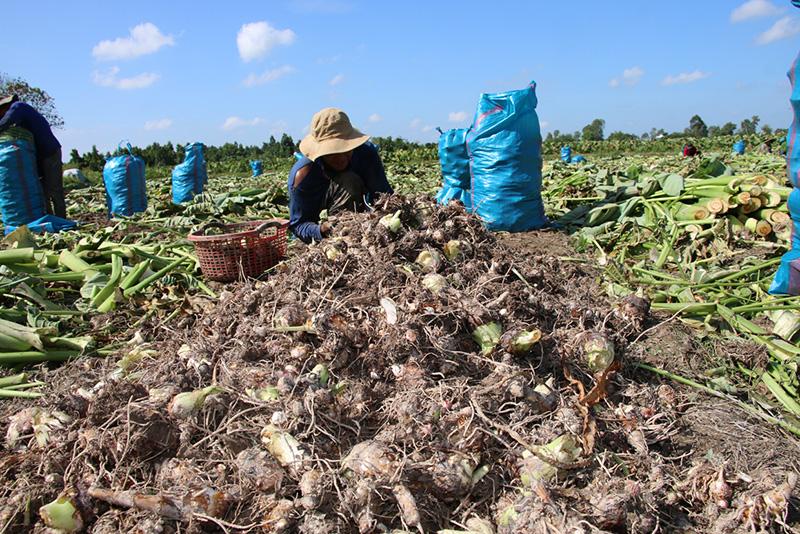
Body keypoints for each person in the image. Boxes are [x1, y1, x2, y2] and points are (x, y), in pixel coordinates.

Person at [287, 108, 393, 242]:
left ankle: (351, 230)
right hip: (319, 227)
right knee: (348, 180)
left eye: (346, 150)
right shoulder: (303, 175)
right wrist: (320, 229)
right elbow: (298, 225)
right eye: (332, 153)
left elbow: (383, 195)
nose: (341, 158)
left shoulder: (366, 154)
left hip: (359, 216)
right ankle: (340, 234)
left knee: (349, 180)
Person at [0, 95, 66, 218]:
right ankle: (49, 218)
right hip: (37, 156)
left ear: (5, 106)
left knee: (54, 189)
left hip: (50, 152)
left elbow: (5, 122)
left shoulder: (18, 106)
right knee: (41, 191)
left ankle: (62, 219)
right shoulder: (20, 120)